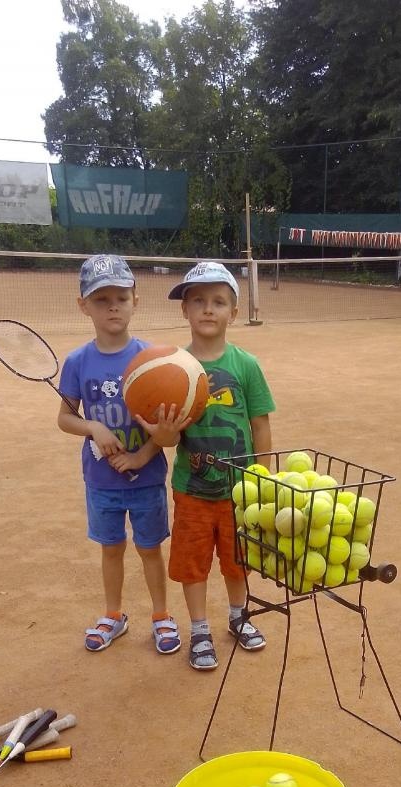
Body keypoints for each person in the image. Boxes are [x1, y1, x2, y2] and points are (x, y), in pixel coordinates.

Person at [140, 262, 275, 672]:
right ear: (185, 310)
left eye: (218, 301)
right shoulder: (173, 368)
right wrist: (163, 432)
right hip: (192, 490)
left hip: (240, 491)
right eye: (198, 301)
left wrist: (262, 478)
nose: (208, 309)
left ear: (233, 312)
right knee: (192, 563)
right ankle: (199, 629)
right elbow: (168, 440)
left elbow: (260, 424)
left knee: (237, 560)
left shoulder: (246, 365)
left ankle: (238, 616)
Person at [59, 253, 181, 654]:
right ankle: (113, 615)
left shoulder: (151, 359)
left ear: (135, 301)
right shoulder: (77, 362)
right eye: (101, 299)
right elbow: (65, 418)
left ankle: (161, 615)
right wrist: (93, 427)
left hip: (146, 479)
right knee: (111, 548)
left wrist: (142, 455)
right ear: (84, 306)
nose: (113, 307)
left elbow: (166, 426)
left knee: (149, 549)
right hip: (101, 481)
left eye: (121, 298)